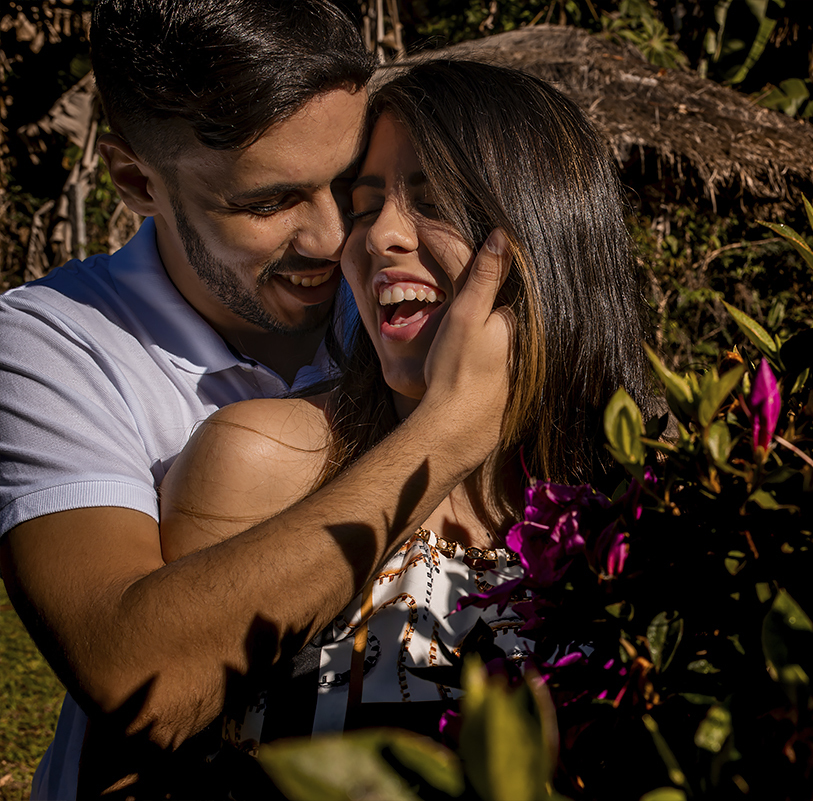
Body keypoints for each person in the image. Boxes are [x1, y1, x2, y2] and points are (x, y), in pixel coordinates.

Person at [0, 2, 513, 798]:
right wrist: (447, 430)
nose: (332, 236)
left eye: (346, 182)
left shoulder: (392, 294)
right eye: (268, 203)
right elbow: (141, 680)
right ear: (138, 180)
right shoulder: (49, 345)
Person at [157, 57, 655, 750]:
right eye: (364, 208)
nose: (375, 237)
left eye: (434, 200)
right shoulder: (268, 461)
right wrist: (448, 423)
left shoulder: (649, 506)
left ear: (549, 234)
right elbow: (152, 735)